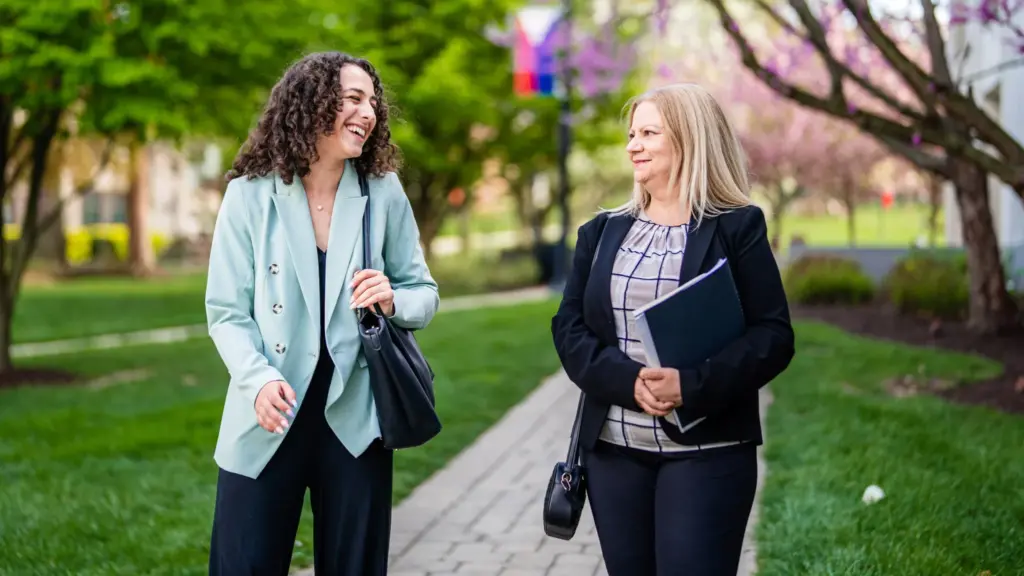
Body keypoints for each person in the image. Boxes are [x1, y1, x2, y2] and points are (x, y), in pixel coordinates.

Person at [204, 51, 439, 575]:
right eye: (354, 99)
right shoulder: (249, 194)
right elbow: (226, 311)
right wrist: (258, 381)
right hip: (268, 411)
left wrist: (393, 298)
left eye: (372, 102)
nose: (369, 112)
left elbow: (423, 291)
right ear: (311, 105)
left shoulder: (382, 191)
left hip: (356, 417)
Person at [550, 83, 795, 575]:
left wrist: (692, 384)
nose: (632, 145)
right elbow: (569, 327)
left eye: (647, 133)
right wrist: (627, 380)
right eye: (631, 134)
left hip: (709, 454)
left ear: (688, 139)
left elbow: (773, 336)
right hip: (614, 455)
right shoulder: (600, 232)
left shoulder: (737, 227)